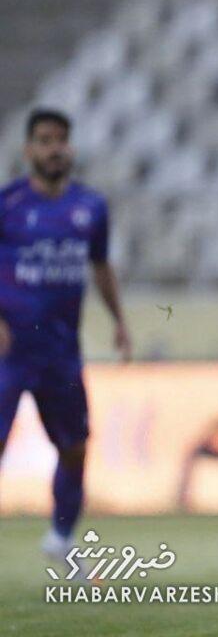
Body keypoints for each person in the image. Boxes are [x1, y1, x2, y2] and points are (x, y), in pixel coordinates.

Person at [0, 109, 131, 565]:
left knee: (74, 447)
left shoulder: (90, 207)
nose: (54, 149)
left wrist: (118, 319)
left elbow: (100, 265)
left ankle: (60, 538)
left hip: (61, 352)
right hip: (10, 352)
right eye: (45, 140)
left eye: (61, 140)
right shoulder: (8, 204)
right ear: (28, 150)